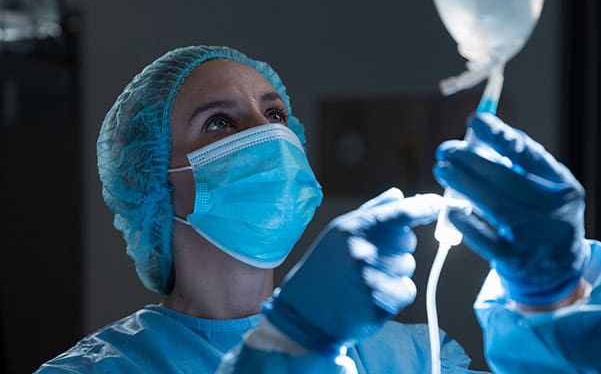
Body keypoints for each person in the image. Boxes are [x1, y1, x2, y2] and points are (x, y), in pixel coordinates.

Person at [35, 45, 600, 374]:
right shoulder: (104, 370)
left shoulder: (411, 356)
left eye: (275, 114)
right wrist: (292, 343)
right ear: (156, 181)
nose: (268, 137)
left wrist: (551, 303)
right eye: (220, 123)